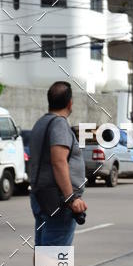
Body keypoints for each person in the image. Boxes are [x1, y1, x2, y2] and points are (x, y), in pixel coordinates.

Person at [30, 81, 87, 248]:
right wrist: (71, 198)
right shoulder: (59, 124)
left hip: (41, 195)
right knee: (55, 254)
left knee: (43, 248)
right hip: (58, 200)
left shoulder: (41, 123)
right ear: (70, 103)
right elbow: (59, 161)